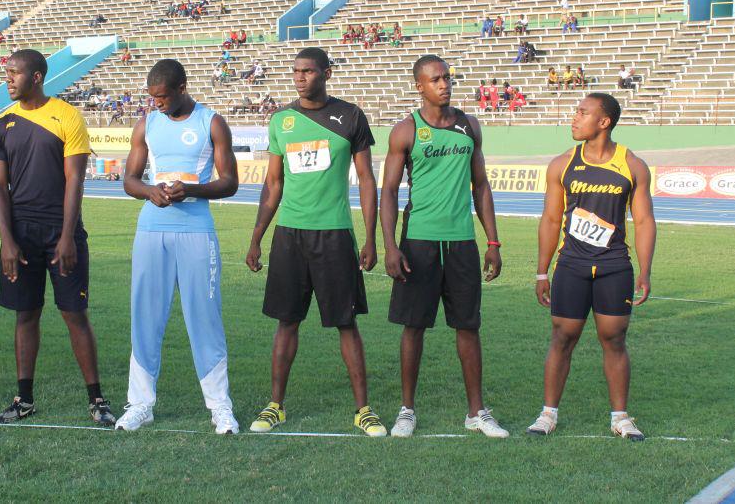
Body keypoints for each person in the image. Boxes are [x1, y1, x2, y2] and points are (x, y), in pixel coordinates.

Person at [245, 47, 386, 437]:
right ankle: (275, 406)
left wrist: (370, 238)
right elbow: (274, 183)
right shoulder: (282, 120)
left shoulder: (351, 116)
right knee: (286, 322)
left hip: (335, 234)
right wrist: (256, 238)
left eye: (307, 71)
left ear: (326, 73)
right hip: (289, 234)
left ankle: (364, 410)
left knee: (346, 323)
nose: (300, 77)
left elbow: (367, 180)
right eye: (295, 71)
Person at [0, 49, 116, 426]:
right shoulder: (1, 124)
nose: (7, 79)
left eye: (14, 73)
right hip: (20, 235)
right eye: (6, 73)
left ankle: (97, 400)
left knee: (74, 314)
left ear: (37, 77)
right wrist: (7, 241)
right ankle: (23, 400)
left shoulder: (67, 116)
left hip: (62, 232)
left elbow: (75, 180)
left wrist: (67, 236)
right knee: (25, 314)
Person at [381, 55, 507, 438]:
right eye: (435, 79)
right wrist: (390, 246)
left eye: (447, 78)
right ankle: (406, 411)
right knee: (413, 327)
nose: (444, 84)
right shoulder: (405, 130)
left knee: (468, 326)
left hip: (462, 243)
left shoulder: (470, 126)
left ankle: (477, 412)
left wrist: (493, 241)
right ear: (419, 86)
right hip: (418, 242)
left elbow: (480, 185)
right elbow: (388, 191)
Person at [115, 60, 240, 434]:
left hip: (196, 232)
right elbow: (129, 180)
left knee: (204, 318)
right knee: (145, 317)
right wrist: (148, 191)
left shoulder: (211, 122)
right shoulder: (146, 125)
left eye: (163, 97)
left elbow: (230, 182)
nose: (157, 103)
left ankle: (220, 408)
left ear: (182, 88)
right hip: (151, 231)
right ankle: (140, 404)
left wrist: (193, 190)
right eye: (152, 97)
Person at [528, 93, 655, 441]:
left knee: (614, 338)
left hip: (614, 266)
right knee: (562, 336)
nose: (574, 118)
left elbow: (644, 220)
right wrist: (542, 271)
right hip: (571, 264)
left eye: (582, 113)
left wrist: (645, 270)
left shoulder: (633, 166)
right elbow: (551, 219)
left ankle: (620, 418)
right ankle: (547, 414)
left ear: (604, 122)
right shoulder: (562, 164)